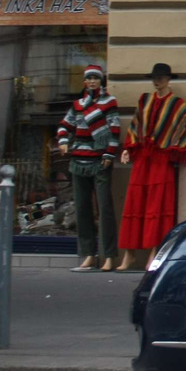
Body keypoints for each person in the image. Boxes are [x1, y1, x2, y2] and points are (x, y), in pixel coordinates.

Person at [116, 63, 186, 272]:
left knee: (156, 205)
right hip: (143, 158)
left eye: (161, 77)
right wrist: (128, 148)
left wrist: (176, 148)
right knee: (135, 204)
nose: (157, 80)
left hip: (161, 160)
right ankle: (129, 254)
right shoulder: (145, 100)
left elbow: (184, 129)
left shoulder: (177, 104)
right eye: (155, 77)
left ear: (169, 79)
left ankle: (154, 252)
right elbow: (135, 126)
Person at [58, 65, 121, 271]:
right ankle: (88, 254)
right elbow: (64, 125)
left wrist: (109, 153)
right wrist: (63, 141)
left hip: (100, 162)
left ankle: (109, 255)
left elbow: (115, 129)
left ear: (101, 81)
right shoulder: (77, 105)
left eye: (96, 78)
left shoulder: (108, 102)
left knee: (105, 209)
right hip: (78, 162)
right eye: (89, 78)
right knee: (83, 209)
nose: (92, 81)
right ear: (84, 82)